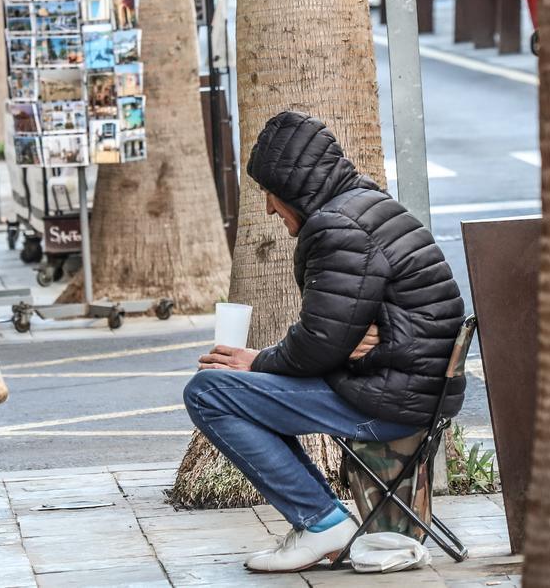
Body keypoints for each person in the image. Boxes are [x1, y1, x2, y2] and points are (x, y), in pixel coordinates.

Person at [183, 111, 467, 573]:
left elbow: (320, 343)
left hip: (388, 402)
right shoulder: (368, 206)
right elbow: (349, 333)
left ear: (293, 188)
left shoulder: (337, 227)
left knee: (210, 391)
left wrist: (258, 362)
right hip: (413, 393)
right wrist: (367, 341)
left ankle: (321, 523)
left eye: (270, 194)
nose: (270, 209)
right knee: (242, 395)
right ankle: (322, 520)